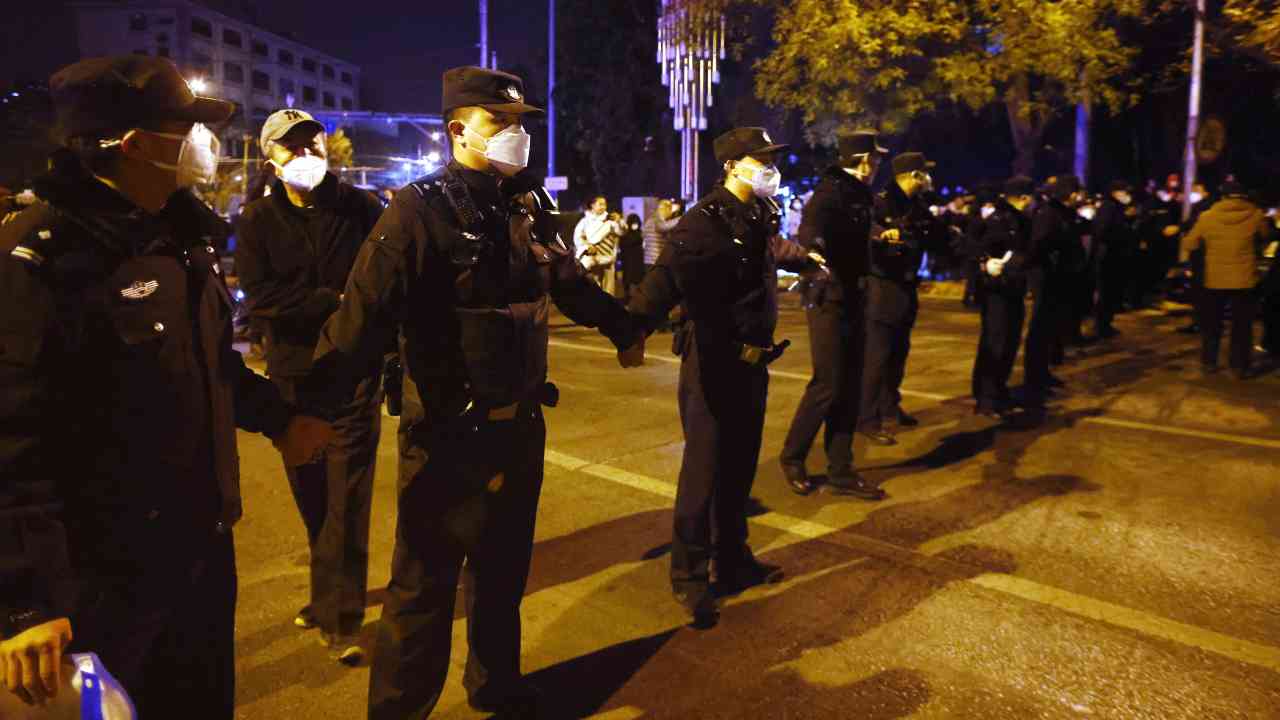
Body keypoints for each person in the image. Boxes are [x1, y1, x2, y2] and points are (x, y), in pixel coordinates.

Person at [305, 66, 644, 719]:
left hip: (519, 426)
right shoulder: (417, 210)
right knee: (422, 591)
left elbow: (568, 283)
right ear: (458, 129)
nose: (517, 136)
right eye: (501, 123)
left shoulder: (529, 206)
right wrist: (307, 412)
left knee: (503, 569)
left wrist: (623, 329)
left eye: (522, 123)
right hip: (447, 435)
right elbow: (361, 317)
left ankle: (495, 683)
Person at [0, 55, 331, 718]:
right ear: (135, 145)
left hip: (199, 550)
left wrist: (279, 417)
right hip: (101, 580)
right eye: (185, 129)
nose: (200, 146)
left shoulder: (180, 237)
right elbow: (12, 435)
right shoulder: (42, 257)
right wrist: (26, 601)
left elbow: (211, 362)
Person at [629, 127, 824, 624]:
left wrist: (805, 260)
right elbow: (664, 281)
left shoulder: (759, 214)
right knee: (705, 471)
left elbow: (769, 252)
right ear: (734, 166)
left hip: (753, 362)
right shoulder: (703, 221)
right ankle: (690, 576)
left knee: (738, 467)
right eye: (762, 160)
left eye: (772, 159)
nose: (771, 169)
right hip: (713, 363)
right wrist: (628, 328)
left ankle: (733, 560)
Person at [234, 108, 386, 664]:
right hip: (292, 380)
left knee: (348, 495)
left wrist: (349, 312)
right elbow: (262, 297)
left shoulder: (362, 209)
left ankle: (341, 619)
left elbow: (380, 284)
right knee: (314, 498)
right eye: (289, 148)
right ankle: (330, 591)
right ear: (269, 158)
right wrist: (332, 301)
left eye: (312, 145)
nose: (304, 157)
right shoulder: (256, 221)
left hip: (352, 373)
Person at [779, 131, 889, 500]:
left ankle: (841, 469)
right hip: (829, 296)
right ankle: (793, 457)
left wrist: (879, 234)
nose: (877, 166)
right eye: (874, 159)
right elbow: (812, 226)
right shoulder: (830, 191)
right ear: (861, 159)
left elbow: (855, 230)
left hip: (855, 294)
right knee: (827, 383)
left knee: (850, 385)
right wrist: (814, 249)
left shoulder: (859, 193)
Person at [857, 152, 949, 446]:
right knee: (877, 358)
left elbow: (936, 240)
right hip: (883, 289)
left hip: (906, 287)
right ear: (912, 175)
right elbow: (869, 246)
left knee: (899, 353)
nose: (928, 179)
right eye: (924, 174)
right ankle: (867, 418)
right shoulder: (880, 202)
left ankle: (889, 405)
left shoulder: (918, 205)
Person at [1180, 180, 1274, 379]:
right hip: (1245, 279)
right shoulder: (1256, 215)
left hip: (1215, 278)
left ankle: (1209, 362)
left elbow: (1190, 243)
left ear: (1222, 196)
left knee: (1212, 322)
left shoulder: (1207, 216)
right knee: (1242, 325)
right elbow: (1265, 237)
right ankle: (1239, 366)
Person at [968, 176, 1036, 417]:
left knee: (1008, 342)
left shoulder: (1016, 219)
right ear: (1024, 197)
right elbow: (977, 248)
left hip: (1011, 289)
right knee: (996, 342)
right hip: (998, 291)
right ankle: (987, 398)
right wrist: (988, 264)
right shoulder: (1000, 219)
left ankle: (998, 390)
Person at [1023, 175, 1085, 408]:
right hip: (1047, 279)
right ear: (1068, 193)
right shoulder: (1048, 213)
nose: (1081, 197)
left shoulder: (1063, 213)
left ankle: (1043, 373)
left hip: (1059, 279)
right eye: (1077, 192)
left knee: (1050, 330)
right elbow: (1039, 246)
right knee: (1039, 330)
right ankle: (1034, 379)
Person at [1092, 180, 1140, 338]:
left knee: (1111, 292)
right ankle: (1102, 326)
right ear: (1116, 192)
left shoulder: (1117, 208)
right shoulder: (1109, 207)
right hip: (1110, 256)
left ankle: (1106, 324)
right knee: (1107, 292)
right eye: (1125, 192)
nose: (1128, 196)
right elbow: (1104, 231)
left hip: (1115, 255)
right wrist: (1123, 233)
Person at [574, 195, 622, 296]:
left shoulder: (611, 220)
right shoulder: (585, 221)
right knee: (593, 289)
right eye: (600, 204)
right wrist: (586, 247)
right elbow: (578, 238)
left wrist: (619, 221)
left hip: (608, 259)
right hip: (592, 260)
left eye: (604, 204)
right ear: (592, 205)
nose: (603, 207)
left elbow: (621, 232)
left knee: (608, 291)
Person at [642, 199, 680, 271]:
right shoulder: (658, 220)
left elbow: (643, 234)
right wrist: (681, 218)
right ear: (665, 210)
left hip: (648, 260)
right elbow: (663, 227)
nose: (670, 214)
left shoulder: (650, 220)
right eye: (669, 210)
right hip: (655, 259)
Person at [619, 212, 646, 300]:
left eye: (636, 223)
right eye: (633, 223)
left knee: (637, 280)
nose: (635, 225)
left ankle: (637, 298)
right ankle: (628, 297)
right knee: (628, 280)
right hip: (628, 261)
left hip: (637, 261)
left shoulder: (639, 234)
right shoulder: (626, 235)